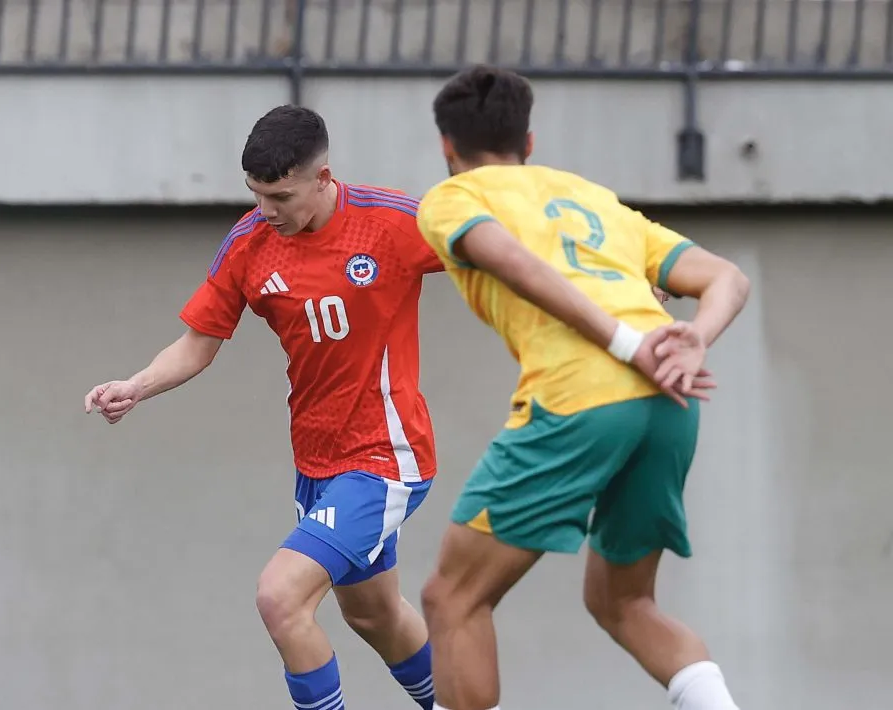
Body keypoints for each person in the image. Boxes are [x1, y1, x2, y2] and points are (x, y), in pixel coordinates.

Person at [83, 105, 445, 710]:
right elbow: (200, 341)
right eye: (256, 195)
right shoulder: (251, 241)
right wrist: (137, 386)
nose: (267, 210)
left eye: (280, 196)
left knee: (280, 596)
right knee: (376, 615)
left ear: (323, 178)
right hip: (318, 463)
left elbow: (499, 251)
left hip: (386, 457)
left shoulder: (391, 222)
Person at [413, 65, 751, 710]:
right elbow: (727, 277)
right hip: (671, 403)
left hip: (584, 398)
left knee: (452, 597)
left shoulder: (453, 198)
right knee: (623, 600)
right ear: (530, 142)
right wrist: (695, 337)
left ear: (447, 148)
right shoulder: (594, 199)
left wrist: (626, 346)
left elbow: (514, 262)